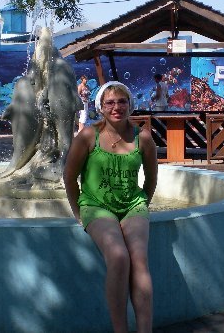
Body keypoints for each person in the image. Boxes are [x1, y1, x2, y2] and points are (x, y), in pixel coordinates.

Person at [64, 81, 158, 333]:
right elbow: (69, 177)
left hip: (133, 205)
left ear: (130, 104)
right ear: (101, 107)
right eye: (110, 103)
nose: (117, 107)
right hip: (96, 206)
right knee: (118, 256)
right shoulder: (88, 136)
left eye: (122, 101)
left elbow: (151, 180)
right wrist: (78, 212)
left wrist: (141, 207)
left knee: (139, 259)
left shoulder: (143, 138)